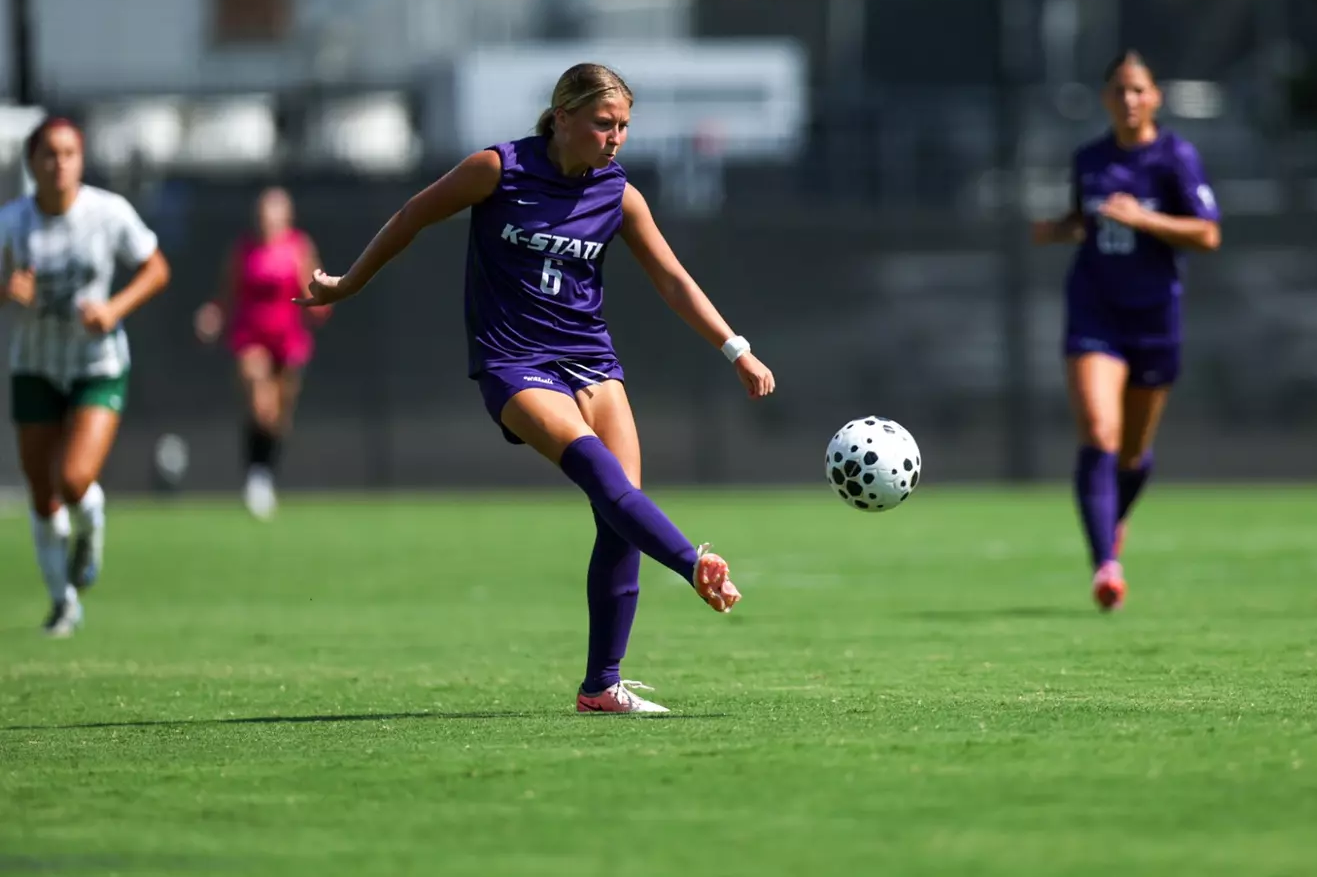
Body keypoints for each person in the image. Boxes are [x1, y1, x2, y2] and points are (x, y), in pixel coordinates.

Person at [296, 63, 775, 713]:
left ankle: (601, 687)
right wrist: (348, 283)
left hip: (592, 361)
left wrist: (736, 350)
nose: (615, 137)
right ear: (562, 117)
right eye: (604, 123)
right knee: (604, 478)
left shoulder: (618, 194)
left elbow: (673, 280)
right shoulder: (498, 169)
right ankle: (693, 562)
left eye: (624, 126)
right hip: (514, 362)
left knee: (621, 516)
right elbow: (412, 216)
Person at [1032, 51, 1221, 611]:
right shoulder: (1089, 159)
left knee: (1133, 454)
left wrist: (1145, 218)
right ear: (1105, 98)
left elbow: (1208, 234)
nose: (1129, 99)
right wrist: (1058, 228)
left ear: (1155, 97)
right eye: (1119, 89)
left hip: (1155, 318)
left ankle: (1113, 520)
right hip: (1095, 311)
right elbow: (1086, 221)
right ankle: (1105, 567)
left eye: (1138, 89)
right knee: (1099, 431)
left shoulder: (1175, 157)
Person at [1, 117, 171, 636]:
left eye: (70, 153)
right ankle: (63, 602)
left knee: (74, 480)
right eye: (49, 154)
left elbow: (156, 268)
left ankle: (91, 523)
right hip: (35, 364)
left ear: (81, 159)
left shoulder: (107, 212)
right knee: (40, 490)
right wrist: (7, 292)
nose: (60, 163)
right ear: (32, 163)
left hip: (97, 363)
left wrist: (114, 308)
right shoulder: (12, 221)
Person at [194, 187, 326, 518]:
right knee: (260, 405)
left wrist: (320, 300)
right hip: (250, 338)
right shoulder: (243, 250)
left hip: (289, 340)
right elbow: (227, 293)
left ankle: (265, 473)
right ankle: (255, 477)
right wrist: (214, 315)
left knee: (278, 418)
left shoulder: (299, 247)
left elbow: (313, 287)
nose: (268, 221)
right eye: (264, 214)